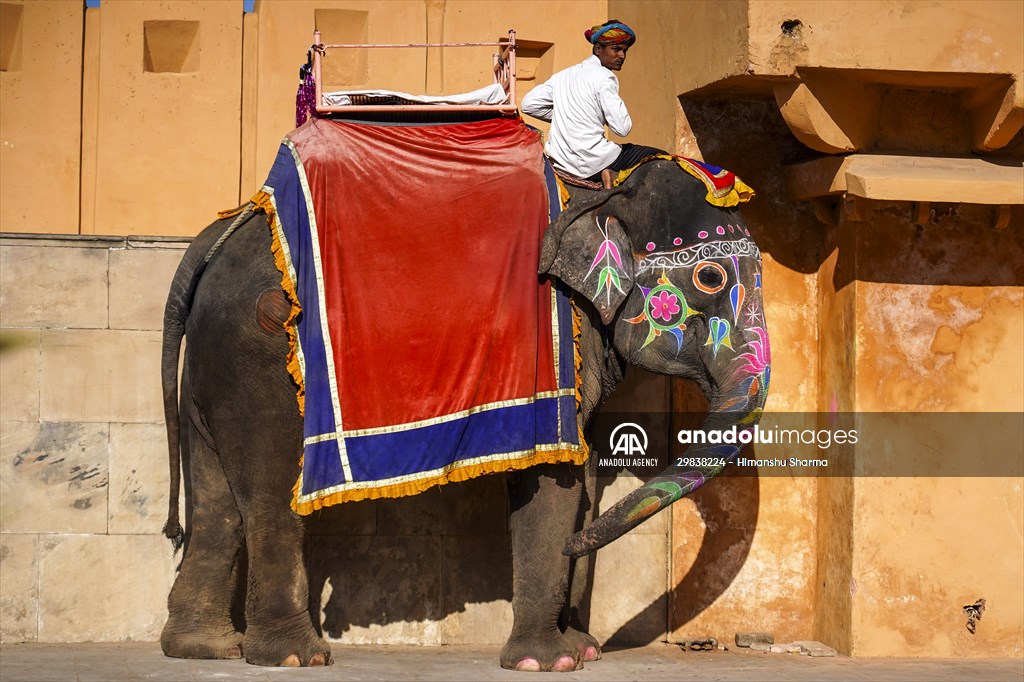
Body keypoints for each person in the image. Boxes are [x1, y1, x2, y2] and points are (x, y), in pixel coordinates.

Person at [521, 20, 668, 187]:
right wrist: (592, 115)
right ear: (598, 49)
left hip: (561, 163)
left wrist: (572, 115)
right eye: (616, 49)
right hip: (594, 161)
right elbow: (622, 128)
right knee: (660, 157)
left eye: (624, 51)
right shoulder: (605, 77)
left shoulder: (563, 76)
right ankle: (613, 175)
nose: (622, 56)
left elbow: (528, 104)